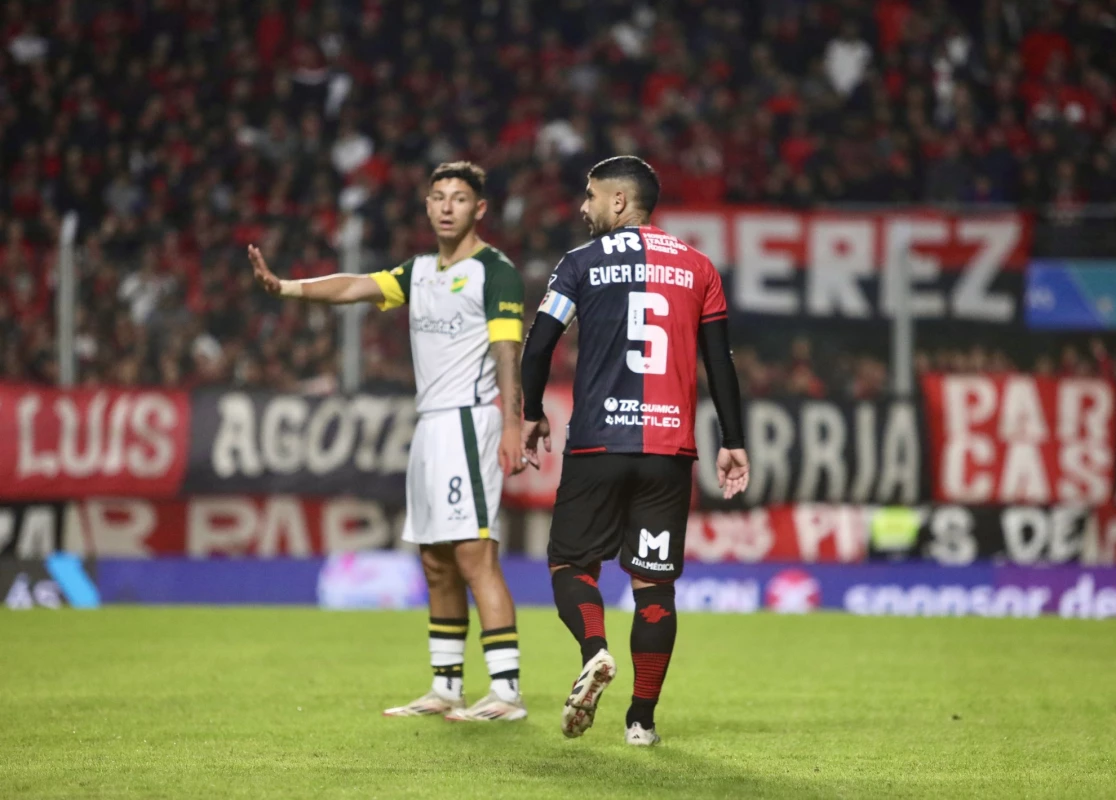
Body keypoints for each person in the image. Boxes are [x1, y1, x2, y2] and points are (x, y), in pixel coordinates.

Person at [248, 161, 529, 722]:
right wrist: (287, 287)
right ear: (426, 206)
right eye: (438, 196)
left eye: (459, 198)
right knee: (435, 560)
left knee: (475, 555)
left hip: (469, 422)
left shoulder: (494, 271)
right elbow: (354, 286)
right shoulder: (419, 270)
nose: (446, 206)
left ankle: (506, 691)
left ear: (479, 209)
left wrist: (513, 422)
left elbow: (507, 352)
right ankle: (446, 686)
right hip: (430, 427)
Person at [520, 156, 750, 746]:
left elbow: (539, 345)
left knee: (571, 564)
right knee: (654, 585)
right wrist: (733, 439)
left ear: (619, 201)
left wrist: (531, 411)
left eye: (591, 195)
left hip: (598, 443)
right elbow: (720, 362)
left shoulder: (579, 263)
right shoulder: (699, 267)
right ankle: (642, 721)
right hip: (668, 450)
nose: (584, 207)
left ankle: (594, 651)